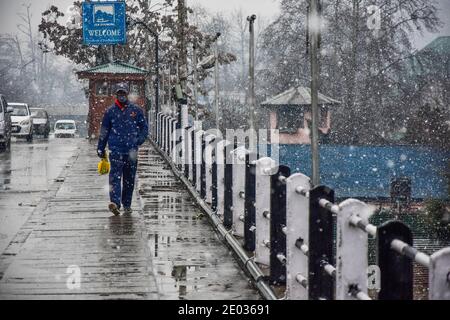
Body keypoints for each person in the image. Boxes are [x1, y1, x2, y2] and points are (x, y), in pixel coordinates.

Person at [97, 82, 149, 216]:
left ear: (127, 94)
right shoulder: (110, 112)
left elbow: (144, 128)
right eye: (119, 93)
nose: (121, 96)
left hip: (131, 151)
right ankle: (115, 203)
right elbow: (104, 131)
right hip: (116, 151)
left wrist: (138, 140)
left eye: (123, 93)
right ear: (116, 95)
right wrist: (101, 148)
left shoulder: (136, 110)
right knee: (115, 177)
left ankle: (127, 204)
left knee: (129, 179)